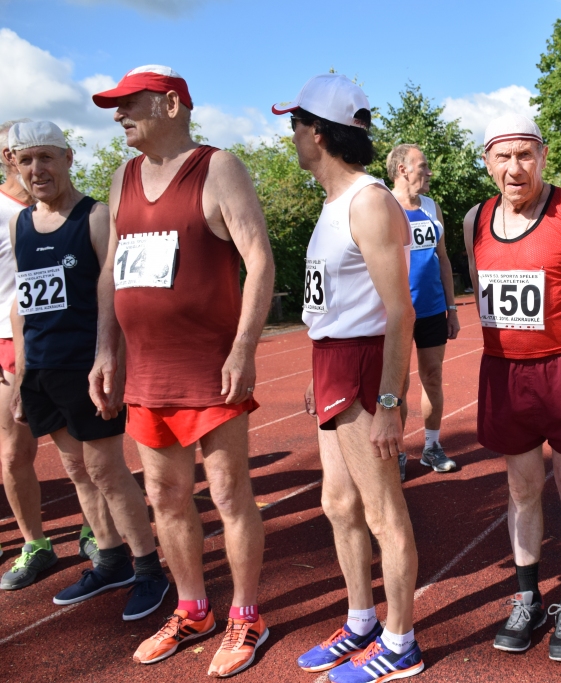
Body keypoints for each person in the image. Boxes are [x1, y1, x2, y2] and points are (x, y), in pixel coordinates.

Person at [89, 66, 275, 676]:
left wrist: (244, 347)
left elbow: (259, 258)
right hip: (146, 373)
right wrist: (106, 350)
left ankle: (246, 616)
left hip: (210, 369)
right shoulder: (123, 177)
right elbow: (112, 272)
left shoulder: (219, 168)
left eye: (129, 104)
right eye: (115, 106)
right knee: (165, 496)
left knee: (228, 493)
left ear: (171, 105)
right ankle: (193, 609)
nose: (119, 116)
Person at [275, 74, 423, 682]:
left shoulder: (368, 201)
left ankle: (401, 642)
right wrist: (319, 362)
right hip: (332, 360)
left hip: (365, 366)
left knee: (384, 510)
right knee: (338, 503)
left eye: (295, 126)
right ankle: (361, 621)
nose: (290, 137)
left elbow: (400, 311)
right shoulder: (333, 202)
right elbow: (332, 298)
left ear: (317, 132)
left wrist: (390, 401)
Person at [5, 121, 169, 618]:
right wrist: (22, 376)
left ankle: (149, 569)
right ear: (13, 164)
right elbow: (23, 305)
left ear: (68, 158)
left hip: (87, 365)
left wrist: (110, 358)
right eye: (26, 160)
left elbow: (117, 294)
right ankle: (112, 559)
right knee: (76, 470)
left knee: (105, 469)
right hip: (41, 368)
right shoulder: (20, 224)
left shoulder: (95, 217)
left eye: (46, 158)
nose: (37, 170)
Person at [463, 114, 561, 662]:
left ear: (543, 156)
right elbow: (480, 288)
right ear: (487, 162)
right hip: (505, 373)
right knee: (521, 491)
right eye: (503, 156)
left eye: (525, 154)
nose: (515, 167)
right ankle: (527, 598)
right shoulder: (475, 218)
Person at [386, 143, 460, 479]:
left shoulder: (432, 207)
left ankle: (431, 447)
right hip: (397, 313)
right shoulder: (383, 205)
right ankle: (398, 453)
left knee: (432, 377)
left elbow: (442, 258)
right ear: (402, 169)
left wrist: (452, 308)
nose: (429, 172)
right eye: (423, 166)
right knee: (397, 385)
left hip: (432, 310)